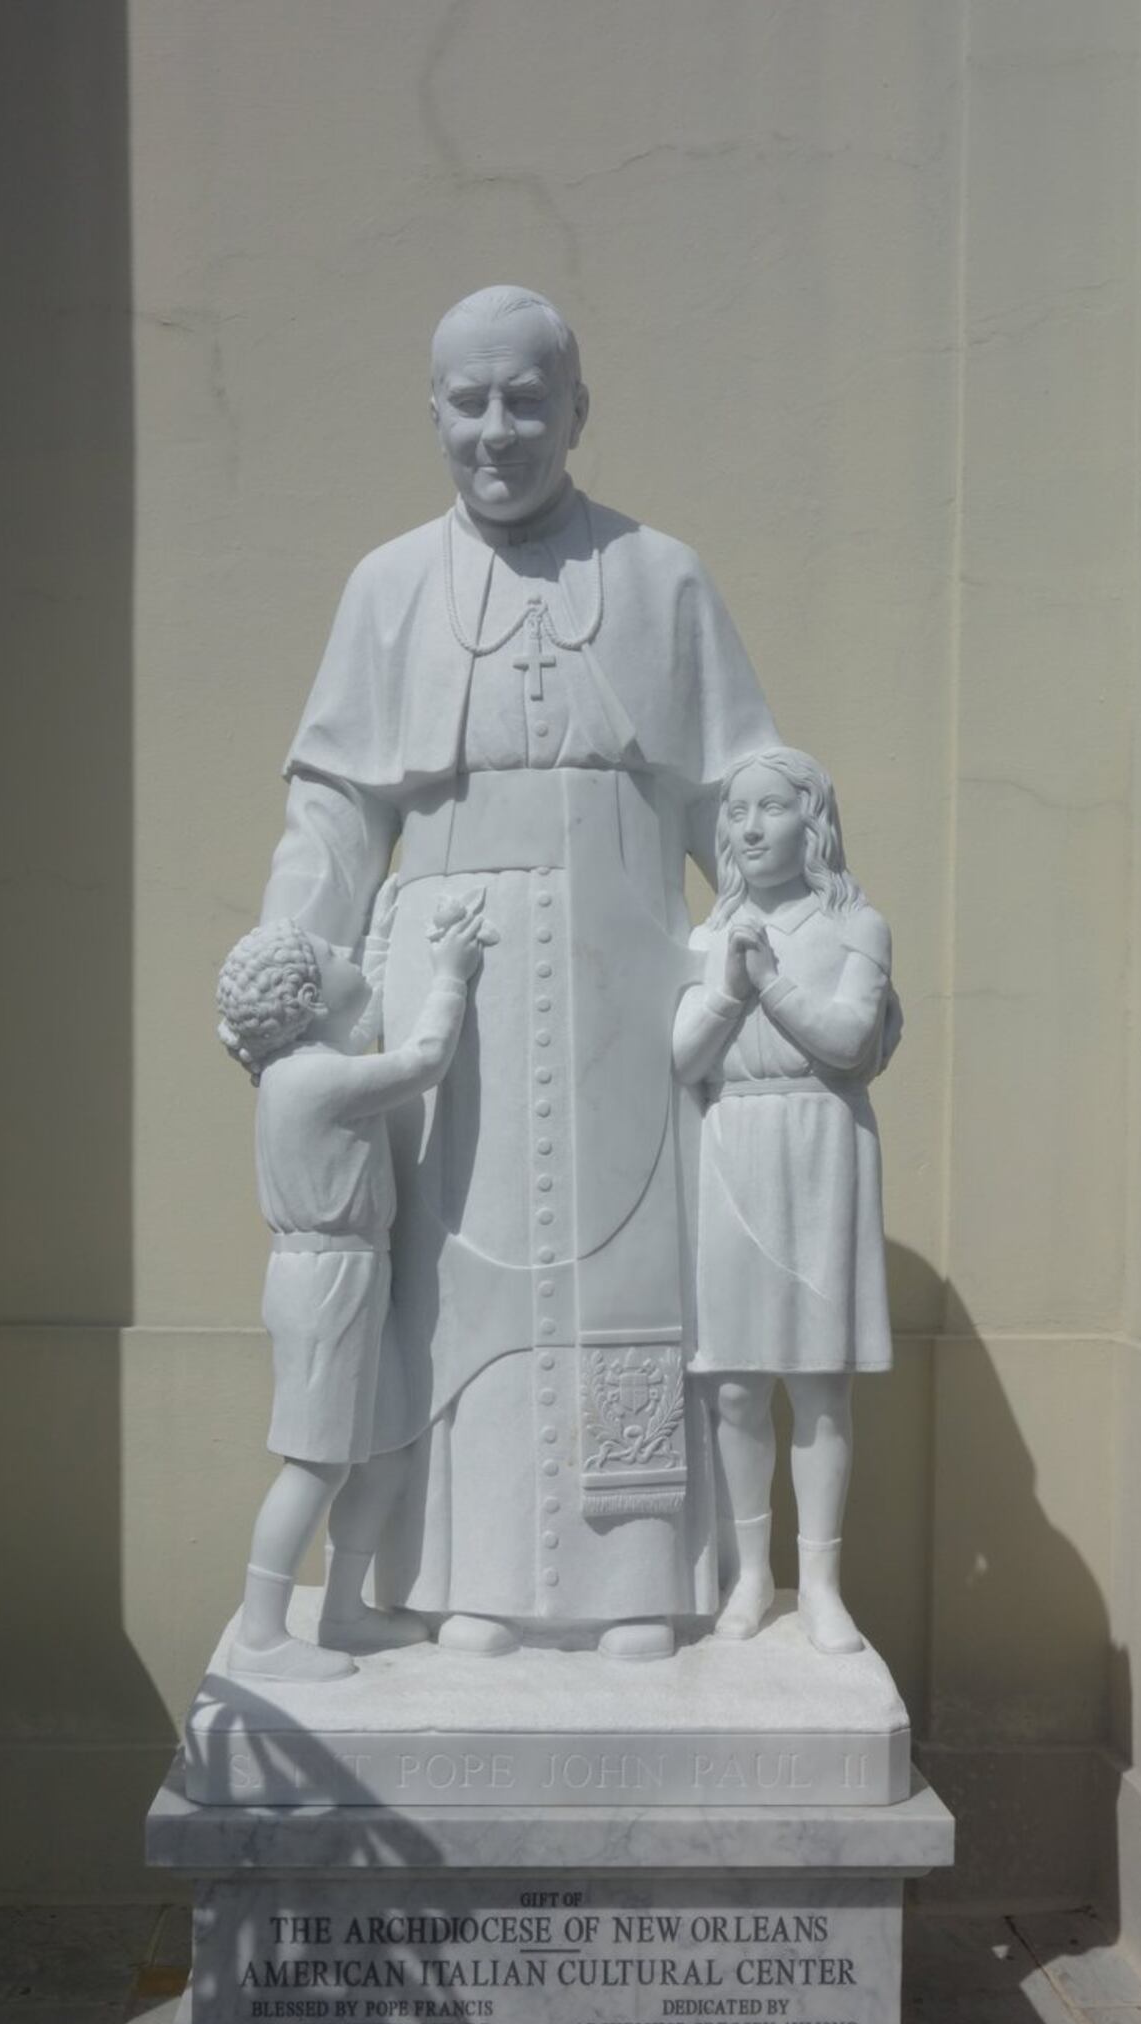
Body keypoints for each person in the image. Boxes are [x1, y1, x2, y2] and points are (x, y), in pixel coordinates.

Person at [259, 285, 779, 1659]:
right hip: (457, 989)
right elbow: (334, 808)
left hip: (622, 974)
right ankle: (463, 1579)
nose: (499, 431)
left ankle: (633, 1588)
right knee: (462, 1283)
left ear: (578, 410)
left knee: (624, 1271)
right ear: (434, 411)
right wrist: (287, 966)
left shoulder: (662, 578)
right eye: (470, 402)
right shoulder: (387, 587)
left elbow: (744, 800)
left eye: (527, 400)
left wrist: (794, 936)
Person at [215, 891, 488, 1679]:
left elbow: (359, 1017)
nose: (348, 960)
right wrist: (449, 974)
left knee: (389, 1447)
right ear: (305, 1001)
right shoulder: (310, 1081)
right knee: (316, 1461)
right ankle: (263, 1633)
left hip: (358, 1273)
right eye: (332, 958)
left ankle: (343, 1608)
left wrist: (384, 926)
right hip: (324, 1282)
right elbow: (421, 1060)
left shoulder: (312, 1063)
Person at [672, 748, 900, 1652]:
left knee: (818, 1380)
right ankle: (749, 1576)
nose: (749, 827)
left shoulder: (856, 927)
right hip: (734, 1142)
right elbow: (684, 1061)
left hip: (821, 1146)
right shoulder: (706, 936)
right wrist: (730, 987)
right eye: (736, 812)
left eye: (771, 808)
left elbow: (849, 1041)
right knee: (733, 1385)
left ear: (814, 822)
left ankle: (821, 1584)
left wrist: (768, 980)